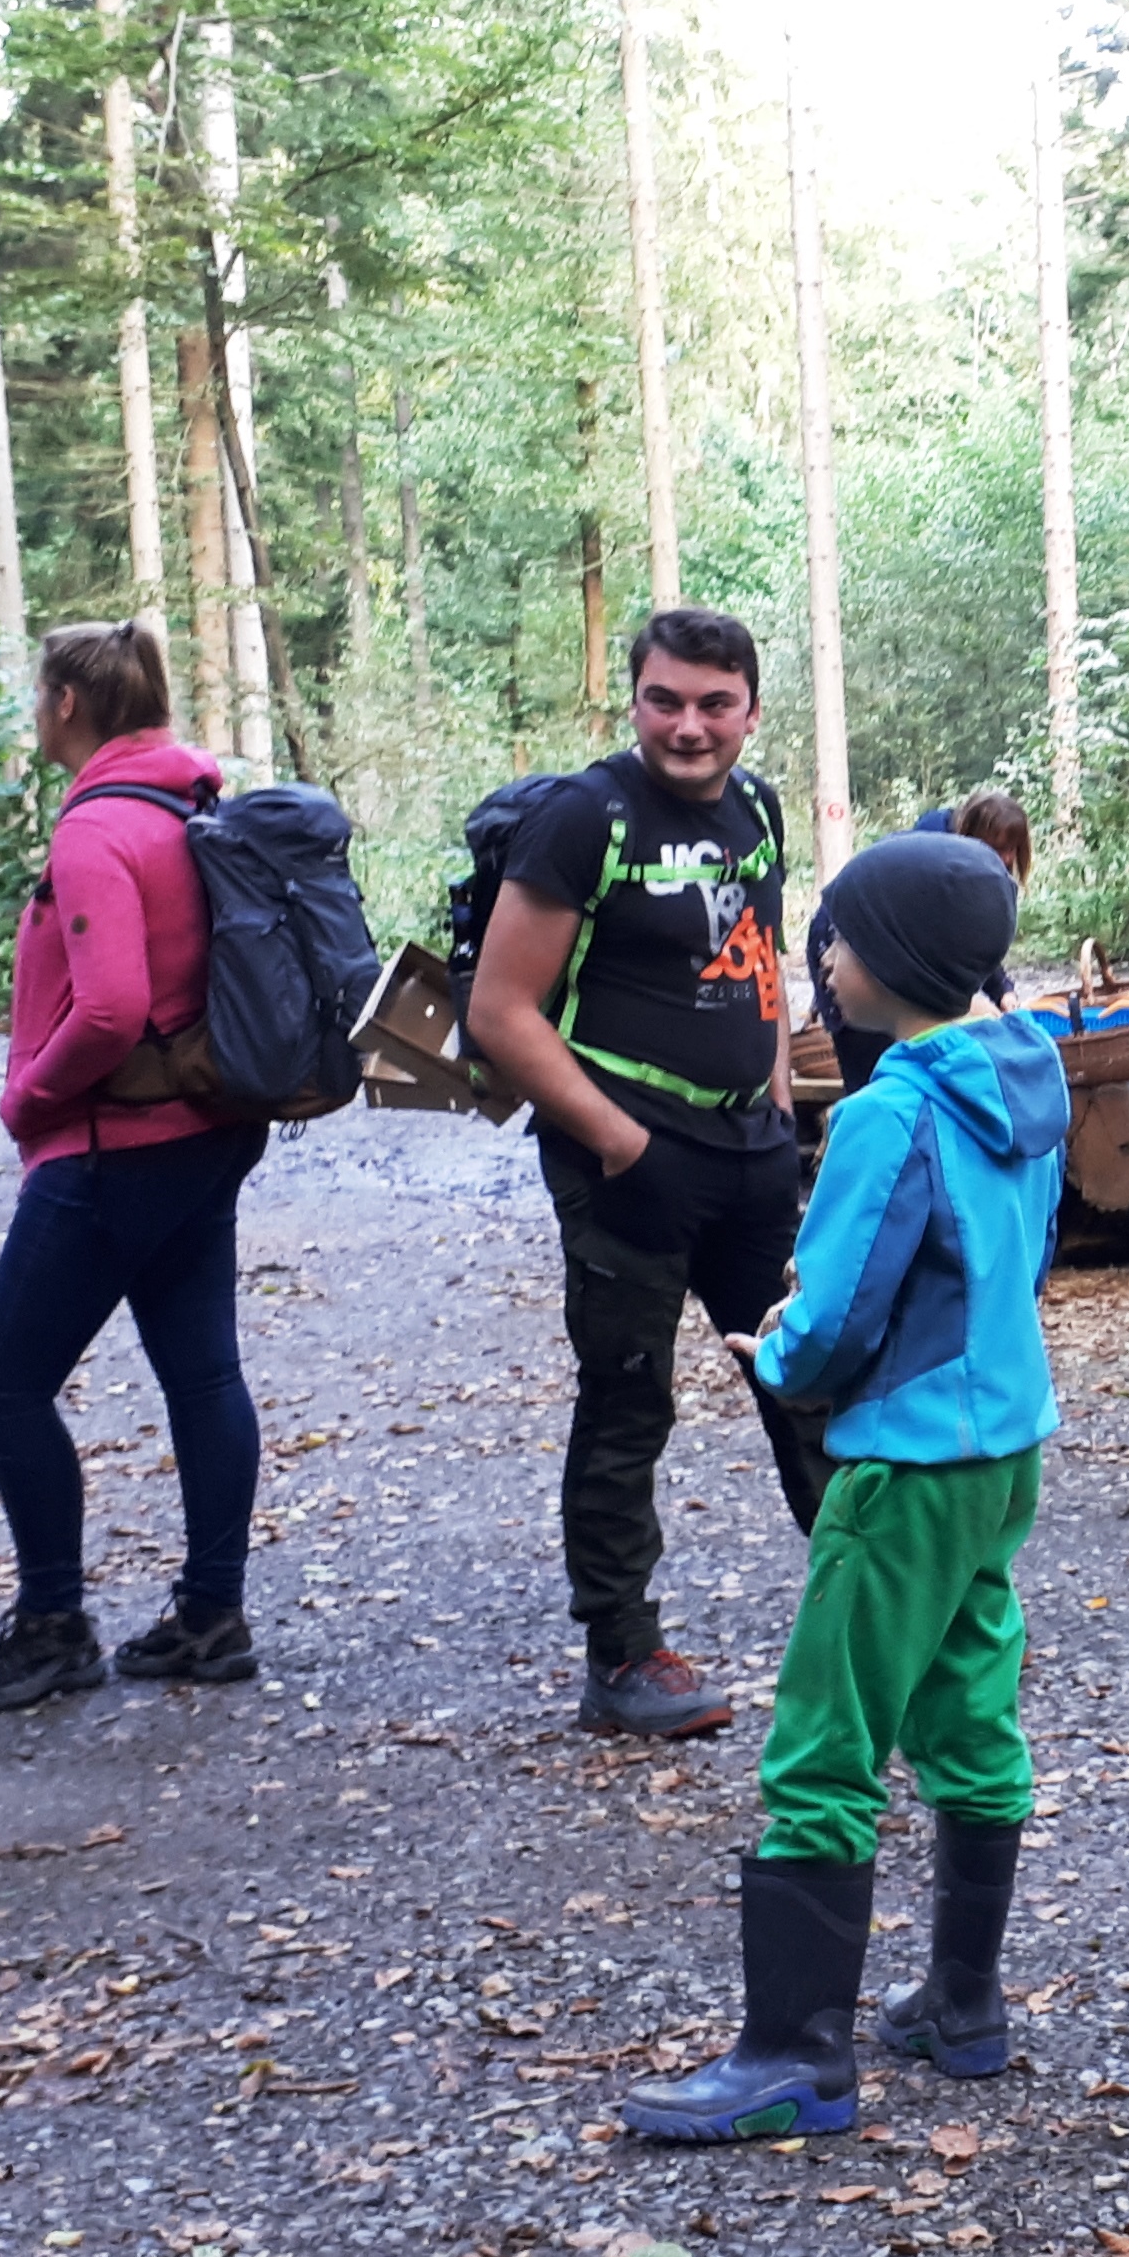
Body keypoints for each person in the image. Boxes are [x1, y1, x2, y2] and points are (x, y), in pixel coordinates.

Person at [621, 831, 1064, 2144]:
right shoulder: (1027, 1083)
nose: (824, 956)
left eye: (840, 936)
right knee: (969, 1705)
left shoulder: (887, 1114)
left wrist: (787, 1354)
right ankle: (961, 2005)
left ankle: (793, 2057)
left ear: (892, 963)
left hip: (905, 1467)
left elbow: (843, 1296)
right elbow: (1020, 1265)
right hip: (1001, 1450)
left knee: (827, 1736)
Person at [468, 607, 833, 1739]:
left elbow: (761, 956)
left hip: (749, 1151)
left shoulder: (758, 807)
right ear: (633, 700)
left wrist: (774, 1092)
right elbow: (499, 1009)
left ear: (751, 709)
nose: (689, 725)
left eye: (715, 703)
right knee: (630, 1399)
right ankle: (622, 1655)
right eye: (665, 700)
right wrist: (623, 1142)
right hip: (625, 1160)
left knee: (810, 1381)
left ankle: (881, 1622)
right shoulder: (588, 818)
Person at [0, 623, 275, 1716]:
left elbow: (112, 1007)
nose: (36, 712)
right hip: (207, 1131)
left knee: (0, 1380)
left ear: (72, 703)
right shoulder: (191, 803)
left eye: (40, 695)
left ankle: (50, 1626)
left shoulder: (96, 830)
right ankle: (212, 1616)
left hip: (109, 1149)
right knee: (202, 1372)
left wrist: (29, 1090)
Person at [806, 792, 1028, 1089]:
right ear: (973, 832)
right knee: (871, 1055)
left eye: (1013, 849)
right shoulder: (935, 867)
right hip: (846, 938)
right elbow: (931, 946)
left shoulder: (969, 865)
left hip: (882, 948)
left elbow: (970, 942)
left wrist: (1001, 990)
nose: (1008, 858)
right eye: (1000, 848)